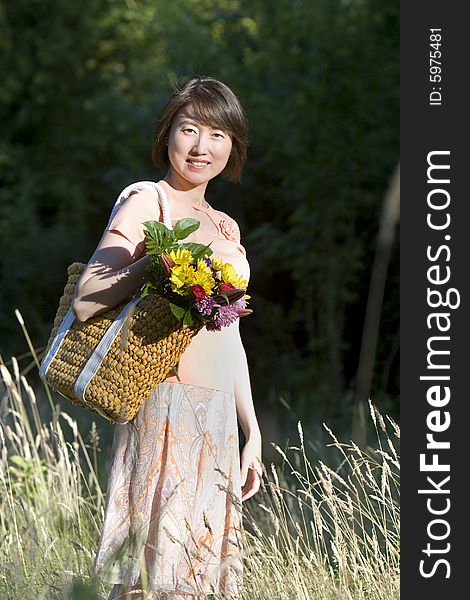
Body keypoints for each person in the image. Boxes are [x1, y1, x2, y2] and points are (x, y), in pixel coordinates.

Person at [71, 76, 263, 599]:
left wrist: (252, 429)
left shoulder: (226, 226)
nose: (203, 147)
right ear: (167, 133)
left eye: (218, 134)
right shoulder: (145, 202)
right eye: (190, 129)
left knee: (199, 571)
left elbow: (231, 336)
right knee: (157, 570)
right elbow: (88, 295)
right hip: (165, 406)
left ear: (234, 145)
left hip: (218, 416)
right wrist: (154, 264)